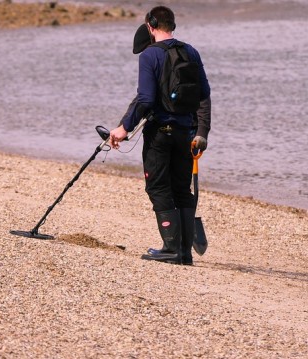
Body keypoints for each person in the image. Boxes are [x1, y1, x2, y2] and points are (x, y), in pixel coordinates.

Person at [109, 6, 211, 265]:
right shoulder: (191, 51)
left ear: (151, 26)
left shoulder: (149, 55)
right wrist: (201, 131)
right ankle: (184, 253)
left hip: (160, 134)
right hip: (185, 134)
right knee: (181, 190)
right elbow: (203, 93)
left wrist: (124, 129)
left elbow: (145, 98)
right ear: (172, 25)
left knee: (157, 187)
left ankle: (170, 248)